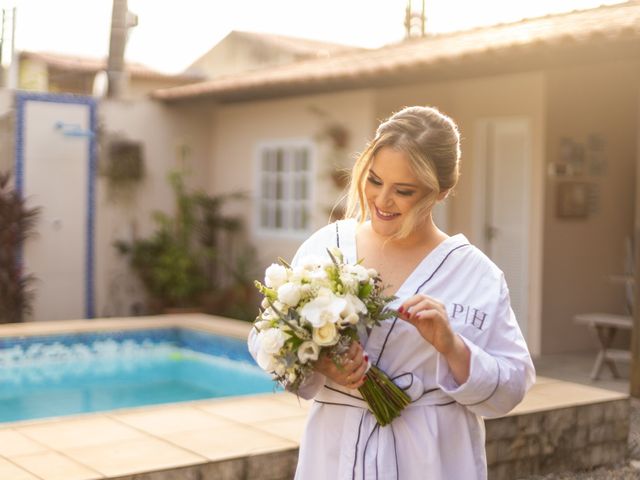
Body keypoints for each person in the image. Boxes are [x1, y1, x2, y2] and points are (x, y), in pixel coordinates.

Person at [249, 106, 535, 479]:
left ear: (441, 191)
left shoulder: (476, 274)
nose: (382, 200)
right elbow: (264, 337)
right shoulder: (328, 245)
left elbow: (512, 386)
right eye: (374, 180)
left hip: (432, 454)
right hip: (336, 451)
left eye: (403, 191)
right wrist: (317, 362)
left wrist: (453, 346)